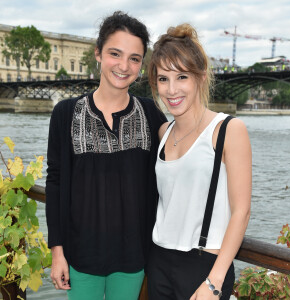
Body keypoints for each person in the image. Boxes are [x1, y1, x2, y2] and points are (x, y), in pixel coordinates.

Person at [46, 11, 167, 300]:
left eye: (135, 58)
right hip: (81, 256)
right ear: (98, 54)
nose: (124, 66)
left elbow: (180, 156)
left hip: (133, 258)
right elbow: (56, 184)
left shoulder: (150, 114)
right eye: (115, 53)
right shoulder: (65, 113)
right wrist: (57, 251)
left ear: (141, 64)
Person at [147, 23, 252, 300]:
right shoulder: (163, 132)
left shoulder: (229, 130)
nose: (171, 90)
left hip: (205, 267)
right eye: (163, 79)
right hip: (158, 262)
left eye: (182, 76)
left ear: (201, 77)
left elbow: (241, 212)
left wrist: (214, 282)